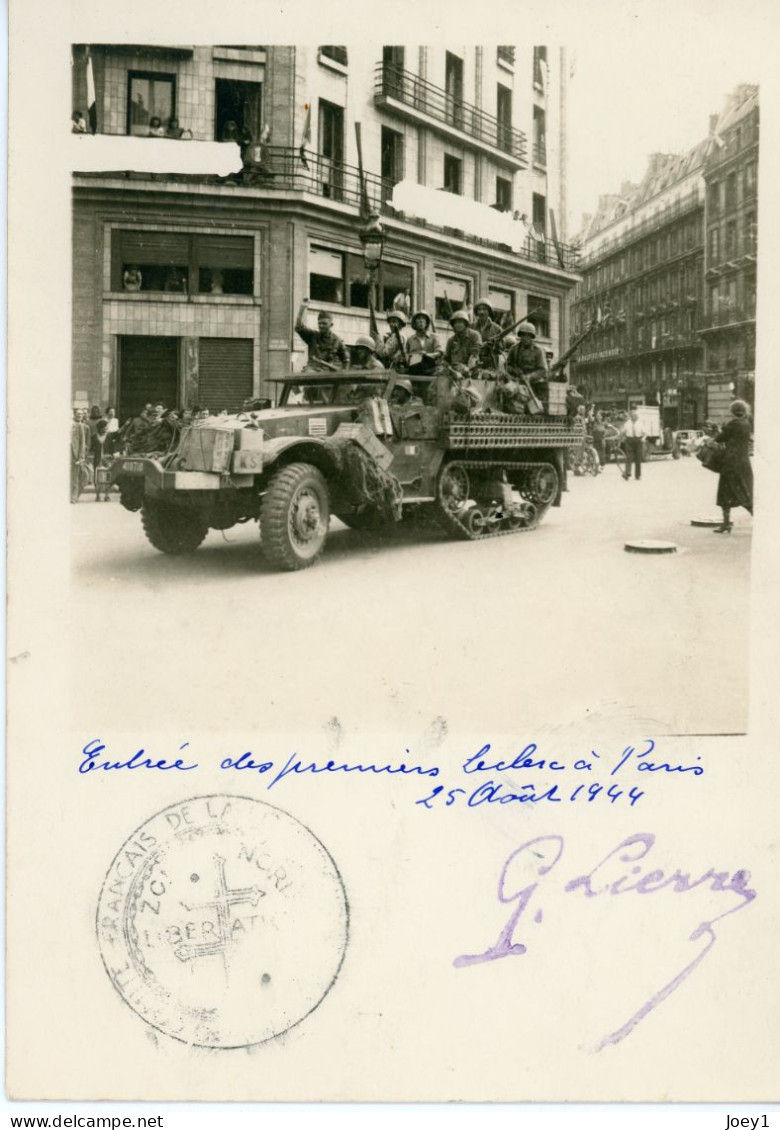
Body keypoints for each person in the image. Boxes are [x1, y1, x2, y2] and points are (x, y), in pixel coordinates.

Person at [711, 400, 753, 533]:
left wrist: (714, 435)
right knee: (745, 493)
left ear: (733, 411)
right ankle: (760, 520)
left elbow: (720, 438)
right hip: (744, 463)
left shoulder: (733, 424)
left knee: (725, 495)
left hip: (730, 464)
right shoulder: (746, 424)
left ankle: (726, 523)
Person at [295, 298, 350, 370]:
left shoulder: (337, 341)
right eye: (319, 323)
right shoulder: (312, 336)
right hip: (311, 372)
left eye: (324, 323)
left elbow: (346, 359)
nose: (321, 326)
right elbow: (299, 327)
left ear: (331, 325)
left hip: (327, 374)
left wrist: (343, 374)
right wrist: (302, 308)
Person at [621, 406, 646, 481]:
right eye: (632, 415)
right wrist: (621, 435)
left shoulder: (640, 423)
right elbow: (623, 431)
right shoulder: (627, 424)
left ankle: (638, 475)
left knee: (638, 458)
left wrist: (643, 439)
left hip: (638, 441)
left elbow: (645, 433)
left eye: (635, 415)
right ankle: (627, 473)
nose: (634, 417)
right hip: (629, 441)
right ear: (630, 416)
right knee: (629, 458)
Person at [91, 420, 112, 501]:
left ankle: (107, 495)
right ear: (100, 428)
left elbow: (112, 447)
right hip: (97, 460)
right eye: (104, 427)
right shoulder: (94, 437)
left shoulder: (109, 436)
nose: (106, 429)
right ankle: (98, 495)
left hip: (107, 460)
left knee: (108, 477)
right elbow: (91, 448)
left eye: (106, 427)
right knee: (97, 478)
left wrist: (110, 456)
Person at [70, 408, 89, 503]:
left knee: (75, 477)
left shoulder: (81, 426)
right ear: (73, 414)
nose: (79, 415)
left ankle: (74, 497)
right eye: (78, 414)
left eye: (81, 414)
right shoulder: (68, 424)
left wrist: (81, 457)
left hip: (75, 454)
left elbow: (83, 443)